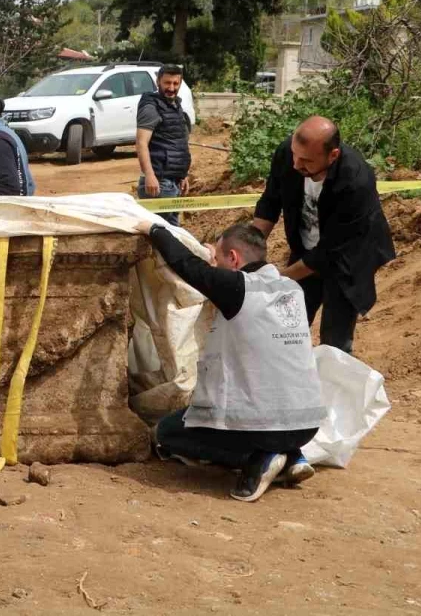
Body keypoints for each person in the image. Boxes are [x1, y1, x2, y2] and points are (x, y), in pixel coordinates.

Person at [139, 219, 325, 502]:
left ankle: (260, 459)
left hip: (265, 426)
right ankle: (292, 455)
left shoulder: (239, 288)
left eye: (216, 258)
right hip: (307, 424)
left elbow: (186, 265)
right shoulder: (292, 289)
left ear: (234, 258)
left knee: (167, 433)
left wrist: (154, 230)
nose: (214, 266)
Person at [252, 116, 396, 354]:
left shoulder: (356, 180)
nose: (297, 164)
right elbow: (270, 202)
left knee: (334, 341)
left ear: (333, 155)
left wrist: (278, 278)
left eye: (306, 160)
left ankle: (332, 382)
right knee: (285, 327)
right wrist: (250, 249)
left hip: (347, 259)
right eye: (295, 155)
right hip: (306, 249)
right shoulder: (288, 155)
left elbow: (329, 253)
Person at [135, 64, 191, 226]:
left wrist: (182, 175)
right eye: (167, 83)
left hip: (173, 181)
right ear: (158, 81)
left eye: (175, 83)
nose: (171, 88)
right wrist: (150, 176)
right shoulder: (151, 106)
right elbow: (141, 143)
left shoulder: (175, 105)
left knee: (171, 234)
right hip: (159, 183)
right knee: (165, 235)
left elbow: (176, 143)